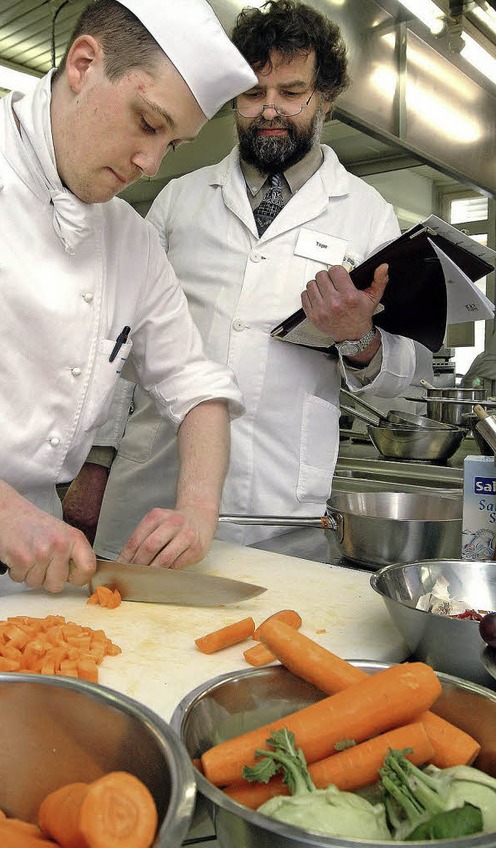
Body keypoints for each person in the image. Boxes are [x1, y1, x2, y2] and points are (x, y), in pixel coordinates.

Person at [0, 0, 258, 629]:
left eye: (173, 143)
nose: (152, 164)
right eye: (148, 124)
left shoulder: (133, 243)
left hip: (34, 583)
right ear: (83, 63)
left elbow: (196, 385)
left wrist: (198, 509)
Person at [69, 0, 434, 555]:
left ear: (325, 100)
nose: (270, 110)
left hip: (277, 509)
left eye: (291, 93)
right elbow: (117, 344)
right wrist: (95, 464)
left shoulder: (368, 216)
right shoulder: (179, 199)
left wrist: (360, 339)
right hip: (154, 491)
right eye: (253, 93)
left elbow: (411, 383)